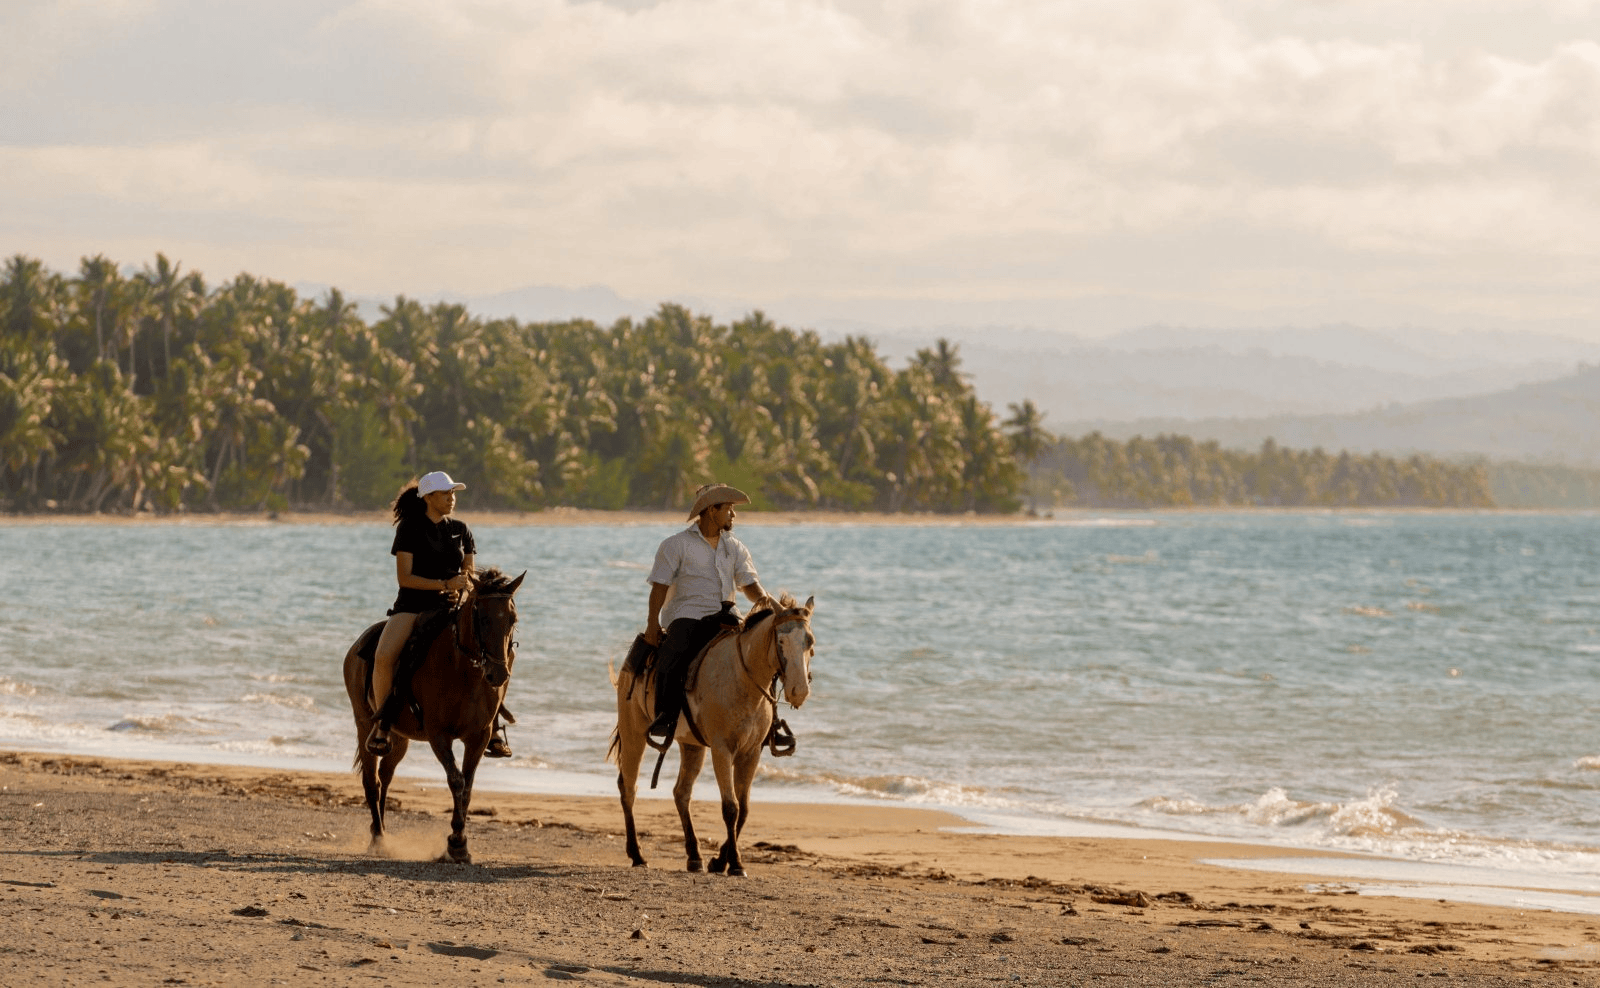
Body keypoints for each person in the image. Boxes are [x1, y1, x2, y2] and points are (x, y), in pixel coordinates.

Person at [365, 470, 512, 758]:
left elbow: (469, 573)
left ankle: (492, 724)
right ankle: (383, 723)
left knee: (498, 648)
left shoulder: (461, 529)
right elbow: (405, 578)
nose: (452, 499)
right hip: (412, 606)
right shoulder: (409, 528)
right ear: (429, 497)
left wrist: (469, 590)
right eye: (446, 494)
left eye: (453, 494)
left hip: (453, 607)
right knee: (384, 656)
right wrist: (443, 584)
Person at [643, 483, 773, 748]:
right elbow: (660, 587)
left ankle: (772, 724)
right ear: (711, 510)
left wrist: (770, 606)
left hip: (728, 616)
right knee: (673, 654)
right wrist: (652, 625)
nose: (733, 515)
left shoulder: (735, 547)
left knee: (767, 655)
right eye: (729, 509)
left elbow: (748, 584)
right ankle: (665, 717)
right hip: (688, 615)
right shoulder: (675, 545)